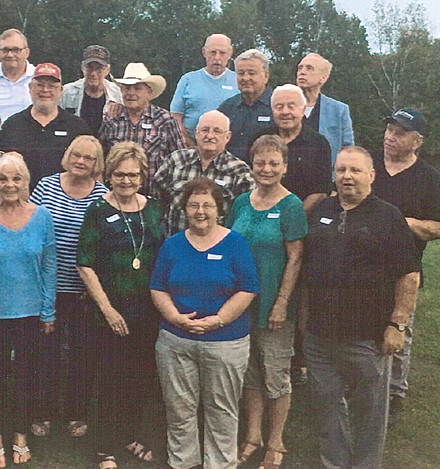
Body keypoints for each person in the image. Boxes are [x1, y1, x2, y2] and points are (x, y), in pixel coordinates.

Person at [303, 147, 420, 469]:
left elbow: (409, 274)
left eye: (355, 170)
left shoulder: (388, 216)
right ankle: (335, 463)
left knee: (370, 414)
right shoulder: (322, 210)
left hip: (367, 339)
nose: (347, 177)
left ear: (371, 175)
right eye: (341, 170)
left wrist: (397, 325)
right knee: (326, 408)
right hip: (320, 335)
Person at [150, 177, 259, 469]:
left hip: (225, 341)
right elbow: (158, 287)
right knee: (179, 409)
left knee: (222, 410)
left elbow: (248, 288)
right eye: (194, 205)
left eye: (207, 205)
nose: (201, 211)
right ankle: (182, 462)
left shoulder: (235, 243)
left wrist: (219, 320)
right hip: (176, 341)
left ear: (219, 209)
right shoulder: (172, 245)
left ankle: (221, 464)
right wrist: (173, 316)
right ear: (184, 209)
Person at [0, 153, 56, 467]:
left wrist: (48, 310)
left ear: (25, 182)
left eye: (16, 178)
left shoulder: (42, 217)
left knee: (26, 377)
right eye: (3, 178)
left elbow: (49, 267)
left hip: (31, 314)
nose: (10, 184)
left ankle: (20, 436)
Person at [76, 142, 163, 469]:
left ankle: (130, 435)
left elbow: (160, 255)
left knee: (139, 376)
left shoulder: (153, 207)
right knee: (109, 379)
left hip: (147, 310)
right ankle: (104, 447)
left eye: (133, 174)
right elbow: (84, 263)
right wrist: (108, 310)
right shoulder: (97, 210)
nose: (126, 180)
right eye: (120, 174)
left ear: (143, 175)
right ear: (109, 175)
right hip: (109, 311)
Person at [225, 136, 307, 469]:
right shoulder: (242, 202)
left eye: (274, 163)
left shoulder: (292, 206)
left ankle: (276, 442)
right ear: (252, 164)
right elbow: (228, 245)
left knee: (276, 375)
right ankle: (252, 436)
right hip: (241, 306)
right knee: (250, 375)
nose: (267, 169)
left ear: (285, 167)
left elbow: (296, 258)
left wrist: (281, 303)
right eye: (261, 162)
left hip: (275, 306)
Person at [370, 108, 440, 427]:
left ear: (417, 141)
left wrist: (403, 223)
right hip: (359, 266)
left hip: (404, 269)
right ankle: (360, 384)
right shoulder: (370, 163)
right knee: (360, 327)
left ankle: (394, 392)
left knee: (399, 327)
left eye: (400, 132)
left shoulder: (428, 177)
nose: (390, 136)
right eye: (389, 129)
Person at [29, 135, 108, 438]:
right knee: (44, 353)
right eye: (76, 154)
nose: (81, 161)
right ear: (68, 155)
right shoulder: (47, 186)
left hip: (83, 290)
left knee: (81, 354)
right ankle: (42, 412)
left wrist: (95, 285)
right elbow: (31, 227)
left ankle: (77, 412)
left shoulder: (102, 195)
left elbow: (103, 244)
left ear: (96, 163)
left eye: (88, 158)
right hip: (46, 287)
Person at [153, 110, 253, 236]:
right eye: (205, 130)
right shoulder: (176, 160)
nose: (210, 136)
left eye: (217, 131)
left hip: (218, 248)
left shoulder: (239, 172)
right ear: (196, 133)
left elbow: (245, 216)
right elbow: (156, 200)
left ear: (228, 137)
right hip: (174, 245)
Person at [0, 62, 91, 190]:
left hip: (64, 202)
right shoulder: (12, 125)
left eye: (51, 86)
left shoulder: (77, 127)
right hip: (21, 201)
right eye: (40, 85)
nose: (45, 90)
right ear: (30, 88)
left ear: (61, 91)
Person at [98, 62, 189, 195]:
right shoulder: (111, 120)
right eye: (126, 88)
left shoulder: (165, 120)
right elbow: (100, 160)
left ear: (149, 92)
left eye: (137, 88)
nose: (131, 93)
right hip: (117, 196)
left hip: (154, 197)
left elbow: (181, 160)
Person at [248, 84, 331, 212]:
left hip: (302, 217)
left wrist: (294, 217)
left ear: (303, 110)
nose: (285, 112)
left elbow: (320, 192)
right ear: (272, 110)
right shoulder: (258, 139)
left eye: (291, 107)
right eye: (279, 107)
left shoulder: (318, 144)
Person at [170, 34, 239, 137]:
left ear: (230, 54)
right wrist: (189, 144)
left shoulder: (239, 81)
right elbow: (175, 118)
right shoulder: (187, 80)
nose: (217, 57)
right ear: (204, 52)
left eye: (222, 53)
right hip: (190, 147)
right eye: (213, 52)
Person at [296, 53, 354, 170]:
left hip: (325, 181)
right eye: (300, 68)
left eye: (309, 68)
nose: (302, 72)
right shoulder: (284, 107)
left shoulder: (339, 110)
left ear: (323, 78)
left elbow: (347, 150)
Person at [218, 49, 274, 161]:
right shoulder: (227, 108)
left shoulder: (278, 107)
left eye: (252, 73)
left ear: (266, 76)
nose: (245, 78)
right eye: (241, 73)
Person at [59, 45, 123, 135]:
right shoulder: (66, 92)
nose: (93, 73)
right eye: (89, 67)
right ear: (82, 68)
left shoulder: (118, 94)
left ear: (107, 70)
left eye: (99, 68)